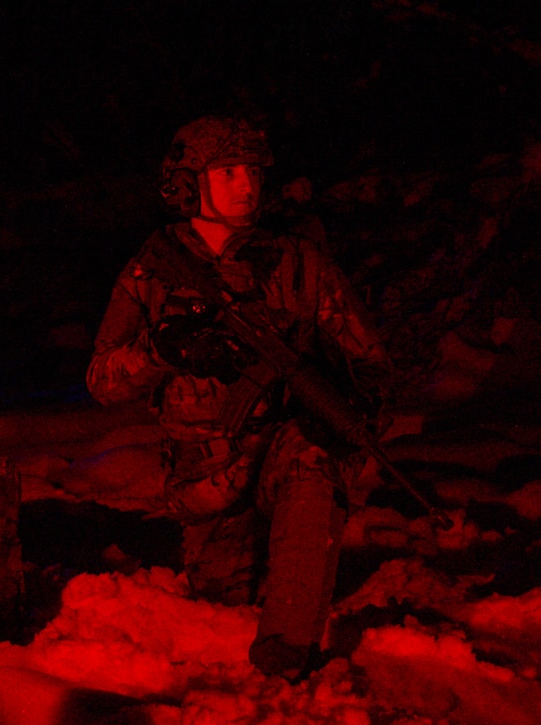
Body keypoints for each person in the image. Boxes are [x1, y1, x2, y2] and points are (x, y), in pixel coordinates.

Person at [86, 116, 391, 680]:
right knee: (222, 602)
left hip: (281, 452)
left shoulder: (299, 263)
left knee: (312, 458)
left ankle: (286, 652)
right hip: (207, 480)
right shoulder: (151, 272)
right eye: (228, 172)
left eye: (251, 171)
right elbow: (102, 380)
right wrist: (162, 350)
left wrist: (340, 403)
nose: (247, 185)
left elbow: (369, 362)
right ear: (187, 185)